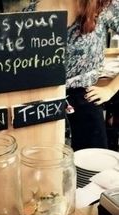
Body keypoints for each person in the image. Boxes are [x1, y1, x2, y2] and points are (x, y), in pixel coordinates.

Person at [23, 0, 119, 151]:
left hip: (84, 102)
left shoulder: (104, 5)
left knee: (90, 167)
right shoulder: (32, 10)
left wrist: (111, 89)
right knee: (46, 165)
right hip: (42, 102)